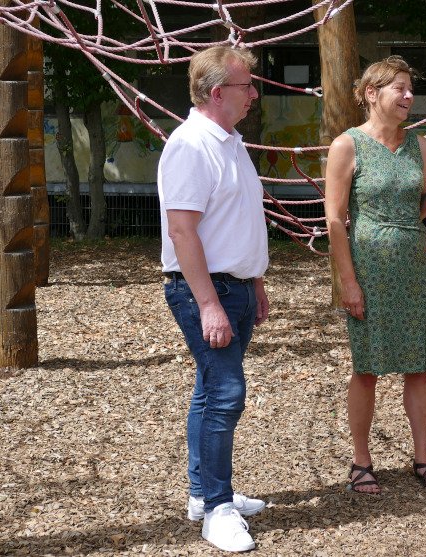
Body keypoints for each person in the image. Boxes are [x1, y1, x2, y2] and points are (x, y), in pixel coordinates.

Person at [158, 46, 269, 553]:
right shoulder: (190, 145)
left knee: (210, 391)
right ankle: (217, 510)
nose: (254, 93)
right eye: (247, 85)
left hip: (235, 286)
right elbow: (183, 233)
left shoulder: (230, 142)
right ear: (218, 91)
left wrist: (255, 281)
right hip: (207, 289)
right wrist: (208, 304)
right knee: (226, 394)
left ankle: (204, 495)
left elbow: (237, 220)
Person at [324, 55, 426, 495]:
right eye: (400, 87)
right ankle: (361, 462)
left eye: (410, 88)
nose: (409, 96)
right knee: (368, 368)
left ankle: (423, 458)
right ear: (371, 94)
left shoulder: (421, 145)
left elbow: (422, 212)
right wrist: (349, 282)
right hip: (370, 272)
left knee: (419, 367)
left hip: (414, 269)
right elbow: (336, 221)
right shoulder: (347, 145)